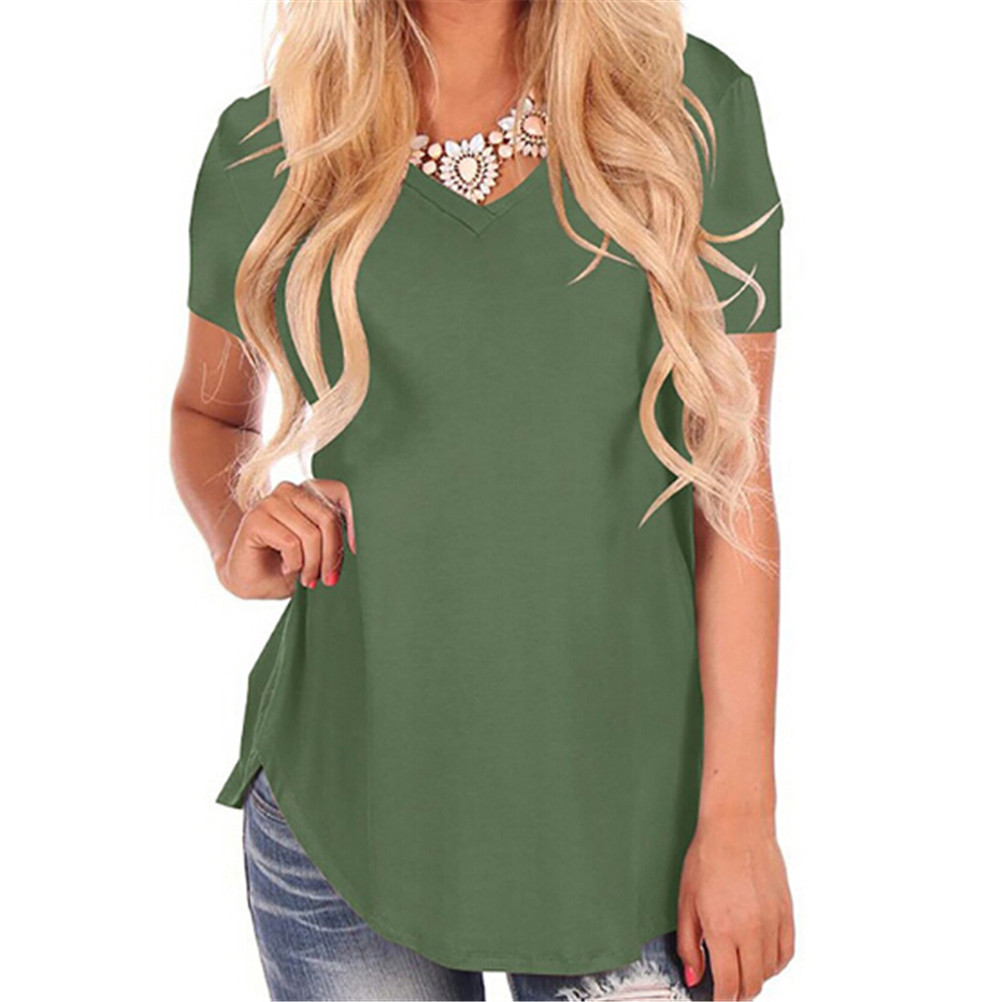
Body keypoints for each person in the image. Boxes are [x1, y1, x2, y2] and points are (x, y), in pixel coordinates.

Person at [171, 1, 794, 1000]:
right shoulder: (276, 141)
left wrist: (740, 821)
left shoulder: (686, 108)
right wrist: (236, 522)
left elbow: (735, 486)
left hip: (629, 832)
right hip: (348, 811)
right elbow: (208, 415)